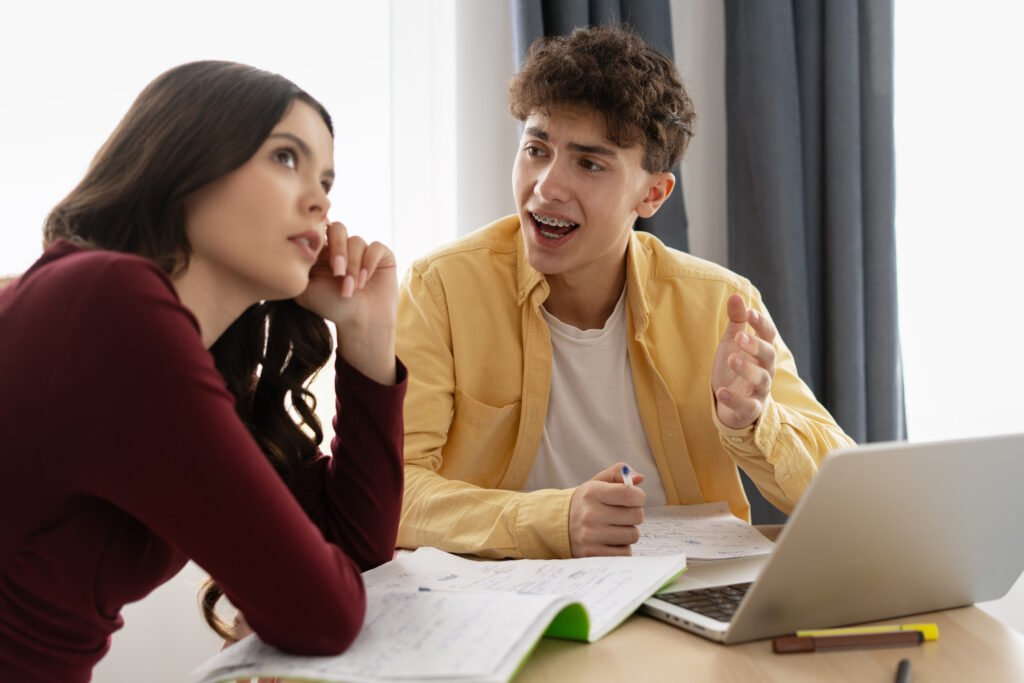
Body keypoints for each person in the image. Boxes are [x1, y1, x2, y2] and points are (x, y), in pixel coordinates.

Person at [0, 61, 405, 682]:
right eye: (286, 158)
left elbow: (355, 559)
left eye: (326, 178)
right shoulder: (108, 303)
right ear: (185, 160)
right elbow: (322, 611)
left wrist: (366, 336)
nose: (320, 200)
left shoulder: (182, 353)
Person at [396, 25, 854, 560]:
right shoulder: (442, 289)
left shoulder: (718, 304)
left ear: (652, 194)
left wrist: (753, 423)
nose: (546, 186)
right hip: (506, 601)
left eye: (589, 163)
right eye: (537, 149)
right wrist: (555, 518)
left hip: (683, 595)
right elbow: (396, 492)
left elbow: (844, 495)